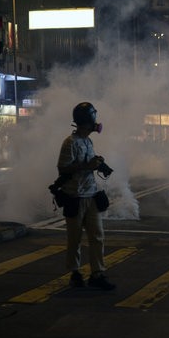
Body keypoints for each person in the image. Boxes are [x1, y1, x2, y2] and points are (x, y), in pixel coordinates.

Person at [56, 102, 115, 291]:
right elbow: (63, 168)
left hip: (92, 195)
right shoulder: (70, 142)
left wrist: (96, 163)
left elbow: (87, 164)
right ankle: (75, 273)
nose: (97, 123)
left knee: (97, 236)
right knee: (74, 239)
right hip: (74, 196)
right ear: (87, 122)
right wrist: (86, 166)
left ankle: (97, 273)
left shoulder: (88, 142)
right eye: (93, 120)